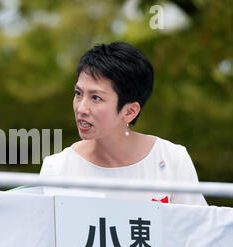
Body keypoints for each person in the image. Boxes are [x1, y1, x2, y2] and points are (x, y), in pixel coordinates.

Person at [40, 42, 207, 205]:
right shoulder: (58, 168)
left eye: (96, 98)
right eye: (78, 93)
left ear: (130, 111)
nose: (81, 108)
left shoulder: (171, 159)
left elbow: (196, 229)